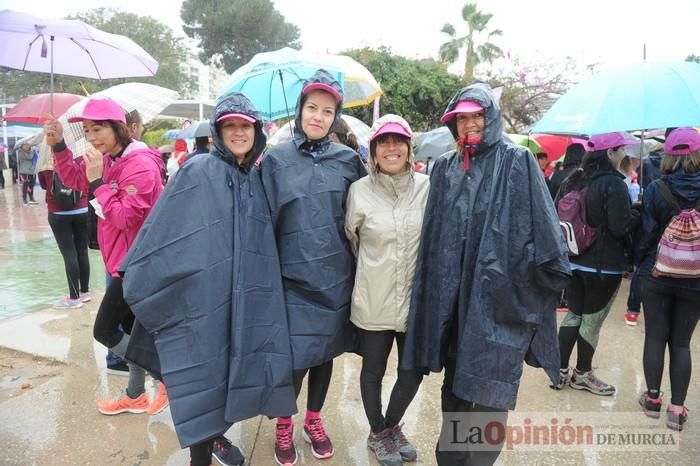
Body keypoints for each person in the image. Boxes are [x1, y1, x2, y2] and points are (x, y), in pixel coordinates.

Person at [118, 92, 296, 466]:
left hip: (241, 302)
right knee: (203, 385)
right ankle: (202, 455)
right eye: (229, 125)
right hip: (203, 301)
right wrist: (138, 278)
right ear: (217, 130)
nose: (237, 132)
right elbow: (166, 232)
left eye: (244, 125)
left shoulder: (256, 177)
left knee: (228, 381)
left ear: (256, 131)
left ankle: (217, 442)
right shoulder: (198, 170)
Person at [402, 83, 570, 466]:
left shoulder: (518, 161)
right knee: (457, 391)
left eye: (477, 115)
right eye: (462, 118)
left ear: (491, 116)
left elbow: (545, 234)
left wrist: (532, 291)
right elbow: (434, 239)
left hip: (499, 303)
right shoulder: (444, 167)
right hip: (455, 304)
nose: (470, 124)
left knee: (491, 395)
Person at [261, 69, 366, 465]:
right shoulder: (275, 160)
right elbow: (263, 221)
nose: (318, 117)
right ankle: (284, 423)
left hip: (335, 278)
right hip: (290, 279)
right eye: (311, 108)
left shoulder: (348, 161)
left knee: (325, 354)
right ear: (300, 110)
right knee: (294, 359)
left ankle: (314, 419)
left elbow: (361, 217)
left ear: (334, 116)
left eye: (327, 111)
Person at [43, 97, 169, 417]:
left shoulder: (140, 164)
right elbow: (74, 178)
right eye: (87, 131)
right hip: (118, 259)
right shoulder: (111, 157)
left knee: (104, 330)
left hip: (136, 264)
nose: (92, 137)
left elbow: (125, 216)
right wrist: (59, 145)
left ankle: (168, 377)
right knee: (130, 332)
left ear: (119, 128)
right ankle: (135, 394)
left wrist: (98, 181)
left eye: (98, 129)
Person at [345, 115, 428, 466]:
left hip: (414, 301)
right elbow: (352, 241)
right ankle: (378, 432)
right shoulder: (358, 191)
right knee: (373, 371)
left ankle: (389, 426)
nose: (391, 148)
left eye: (398, 141)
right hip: (374, 298)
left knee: (413, 371)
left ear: (409, 148)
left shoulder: (428, 187)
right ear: (374, 150)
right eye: (383, 142)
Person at [554, 132, 640, 395]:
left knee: (573, 315)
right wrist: (636, 211)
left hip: (573, 262)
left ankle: (559, 371)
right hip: (604, 266)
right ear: (611, 153)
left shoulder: (573, 180)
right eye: (622, 150)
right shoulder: (614, 184)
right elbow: (619, 227)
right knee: (591, 321)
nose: (625, 155)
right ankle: (582, 373)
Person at [636, 128, 700, 432]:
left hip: (656, 273)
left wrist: (641, 263)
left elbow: (646, 236)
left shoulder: (655, 189)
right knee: (681, 343)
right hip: (696, 278)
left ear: (669, 156)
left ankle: (652, 400)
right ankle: (677, 409)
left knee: (655, 336)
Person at [35, 140, 91, 309]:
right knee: (82, 251)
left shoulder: (46, 161)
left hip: (58, 213)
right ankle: (84, 292)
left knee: (69, 253)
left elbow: (45, 185)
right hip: (82, 210)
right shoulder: (81, 158)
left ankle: (73, 299)